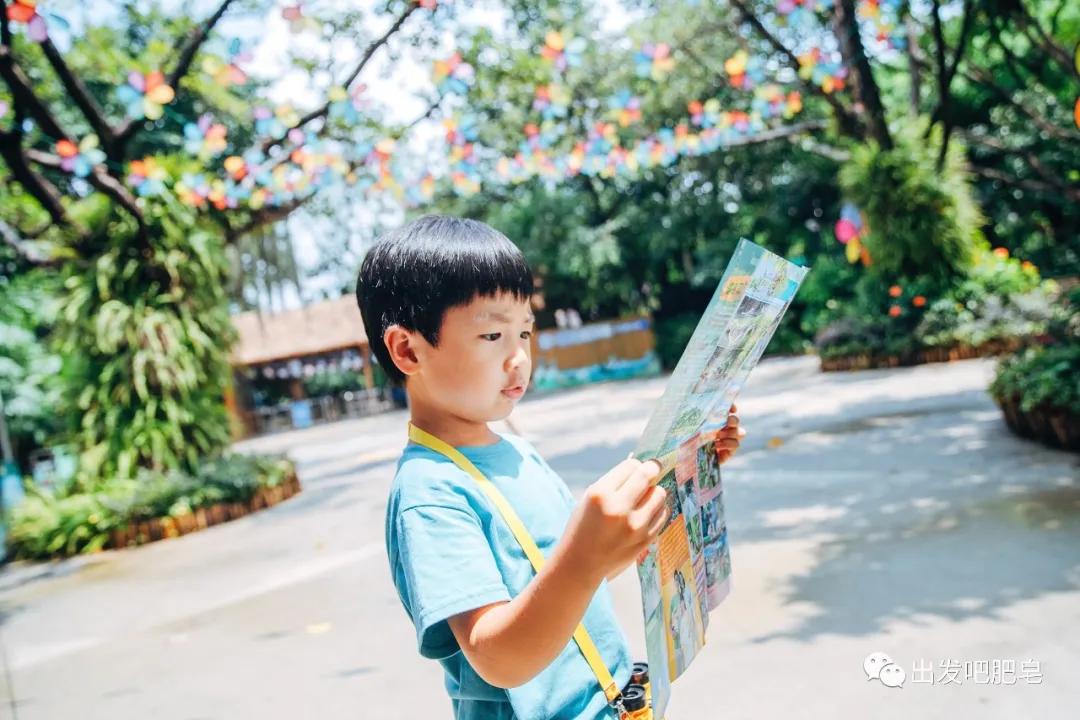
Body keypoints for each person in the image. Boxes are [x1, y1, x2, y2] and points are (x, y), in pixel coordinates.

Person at [355, 215, 746, 720]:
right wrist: (584, 559)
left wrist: (679, 467)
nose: (519, 357)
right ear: (408, 350)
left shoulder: (517, 451)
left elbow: (585, 569)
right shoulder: (429, 492)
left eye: (525, 331)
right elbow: (498, 657)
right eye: (492, 335)